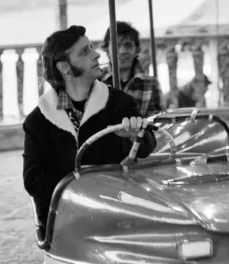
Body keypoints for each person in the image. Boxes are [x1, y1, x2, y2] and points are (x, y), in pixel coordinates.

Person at [22, 25, 156, 231]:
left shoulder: (119, 101)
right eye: (85, 52)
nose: (96, 54)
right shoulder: (38, 121)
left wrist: (135, 136)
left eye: (92, 47)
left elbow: (148, 145)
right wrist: (86, 184)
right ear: (65, 68)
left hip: (118, 211)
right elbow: (33, 181)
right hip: (65, 220)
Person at [101, 21, 164, 117]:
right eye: (116, 45)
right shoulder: (96, 80)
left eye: (128, 45)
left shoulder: (150, 84)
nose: (122, 51)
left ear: (137, 50)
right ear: (107, 50)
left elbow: (156, 122)